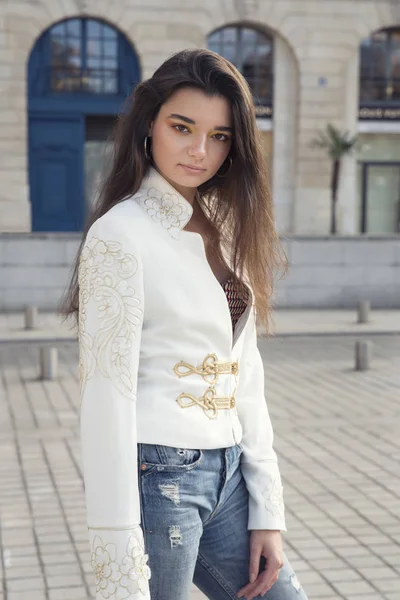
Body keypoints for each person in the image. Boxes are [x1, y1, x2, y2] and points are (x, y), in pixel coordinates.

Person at [61, 48, 308, 600]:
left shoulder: (227, 225)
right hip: (159, 477)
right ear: (150, 126)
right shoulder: (119, 234)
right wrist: (119, 560)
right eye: (183, 127)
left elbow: (246, 373)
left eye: (220, 136)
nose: (200, 151)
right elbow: (106, 395)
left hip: (230, 475)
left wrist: (268, 509)